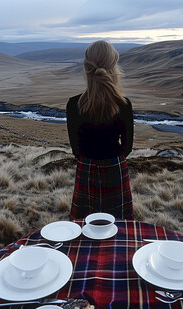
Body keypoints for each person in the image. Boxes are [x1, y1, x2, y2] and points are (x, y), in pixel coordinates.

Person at [66, 40, 134, 220]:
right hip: (115, 168)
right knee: (119, 226)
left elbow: (76, 148)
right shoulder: (124, 105)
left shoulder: (74, 104)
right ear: (114, 68)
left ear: (86, 68)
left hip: (86, 167)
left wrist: (89, 161)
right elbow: (127, 147)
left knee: (83, 224)